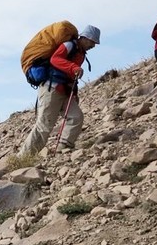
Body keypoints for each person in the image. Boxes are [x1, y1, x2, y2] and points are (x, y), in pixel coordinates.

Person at [18, 25, 100, 156]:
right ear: (84, 38)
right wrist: (73, 67)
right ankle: (23, 157)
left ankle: (64, 147)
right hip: (51, 88)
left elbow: (70, 74)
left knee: (76, 116)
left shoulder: (80, 54)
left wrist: (74, 93)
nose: (93, 46)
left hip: (65, 91)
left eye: (95, 43)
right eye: (92, 42)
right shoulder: (69, 46)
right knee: (44, 125)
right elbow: (55, 59)